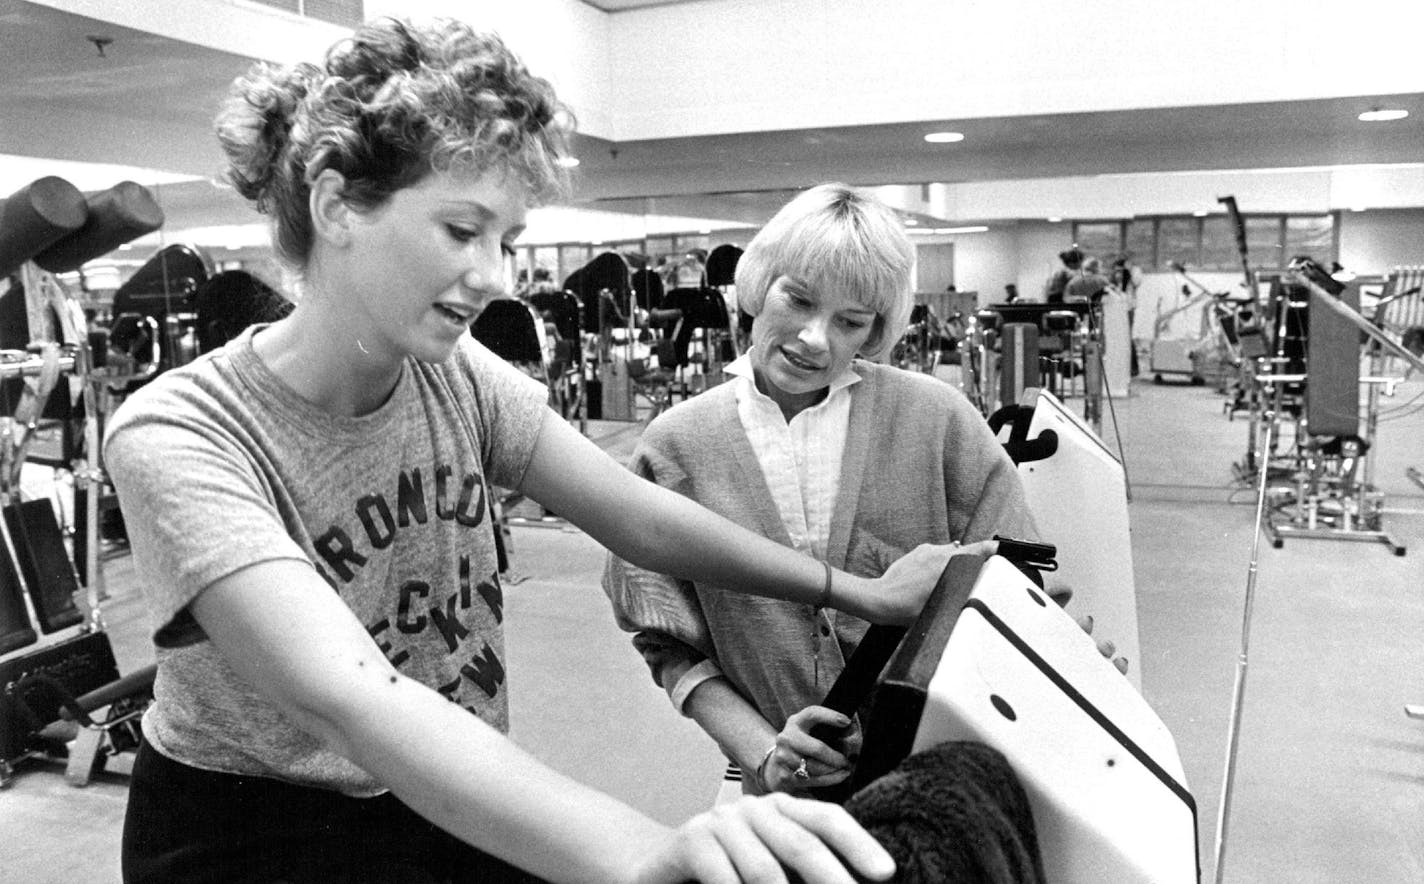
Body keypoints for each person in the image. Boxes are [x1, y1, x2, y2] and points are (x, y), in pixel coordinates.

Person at [102, 21, 960, 884]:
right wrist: (642, 850)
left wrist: (861, 595)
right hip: (254, 832)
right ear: (336, 208)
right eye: (461, 230)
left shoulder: (455, 374)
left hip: (448, 778)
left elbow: (638, 520)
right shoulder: (182, 433)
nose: (496, 275)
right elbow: (352, 697)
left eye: (505, 240)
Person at [602, 184, 1037, 800]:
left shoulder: (938, 422)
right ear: (758, 285)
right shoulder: (677, 447)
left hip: (943, 786)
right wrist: (763, 753)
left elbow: (1023, 593)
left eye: (850, 321)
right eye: (798, 300)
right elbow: (666, 642)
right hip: (784, 800)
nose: (814, 339)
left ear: (877, 329)